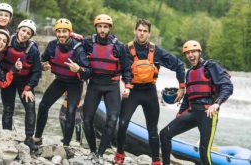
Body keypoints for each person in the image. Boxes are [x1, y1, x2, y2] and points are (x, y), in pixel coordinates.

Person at [114, 19, 186, 165]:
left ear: (149, 34)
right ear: (135, 31)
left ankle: (156, 161)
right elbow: (113, 66)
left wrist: (182, 86)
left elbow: (179, 65)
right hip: (132, 92)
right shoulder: (125, 49)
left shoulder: (156, 51)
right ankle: (119, 155)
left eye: (145, 31)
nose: (141, 33)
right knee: (122, 124)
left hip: (150, 93)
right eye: (139, 30)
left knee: (152, 129)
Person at [159, 40, 233, 165]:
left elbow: (227, 86)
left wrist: (217, 103)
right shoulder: (189, 73)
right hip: (192, 112)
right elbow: (188, 96)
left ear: (199, 52)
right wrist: (180, 113)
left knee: (204, 151)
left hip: (208, 113)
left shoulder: (211, 66)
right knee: (164, 134)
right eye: (187, 53)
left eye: (193, 52)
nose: (190, 55)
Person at [34, 18, 91, 151]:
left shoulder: (78, 48)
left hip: (75, 84)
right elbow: (42, 60)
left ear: (70, 32)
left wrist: (78, 69)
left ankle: (66, 144)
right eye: (58, 31)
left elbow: (88, 72)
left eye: (64, 31)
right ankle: (37, 137)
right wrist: (43, 65)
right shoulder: (52, 45)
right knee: (43, 105)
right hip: (60, 81)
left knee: (70, 112)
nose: (61, 34)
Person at [82, 14, 132, 162]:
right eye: (100, 26)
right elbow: (75, 47)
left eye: (105, 27)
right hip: (95, 84)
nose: (102, 30)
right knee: (86, 120)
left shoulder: (119, 46)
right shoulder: (88, 43)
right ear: (96, 27)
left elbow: (126, 69)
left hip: (112, 86)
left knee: (112, 119)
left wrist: (127, 86)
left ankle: (100, 153)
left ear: (109, 28)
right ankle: (92, 151)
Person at [0, 19, 41, 152]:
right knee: (8, 107)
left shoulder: (33, 50)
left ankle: (29, 138)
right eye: (23, 30)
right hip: (8, 77)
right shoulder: (7, 42)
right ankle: (6, 134)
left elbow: (36, 72)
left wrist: (29, 88)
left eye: (28, 33)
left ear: (31, 36)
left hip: (25, 81)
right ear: (18, 30)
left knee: (30, 107)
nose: (24, 34)